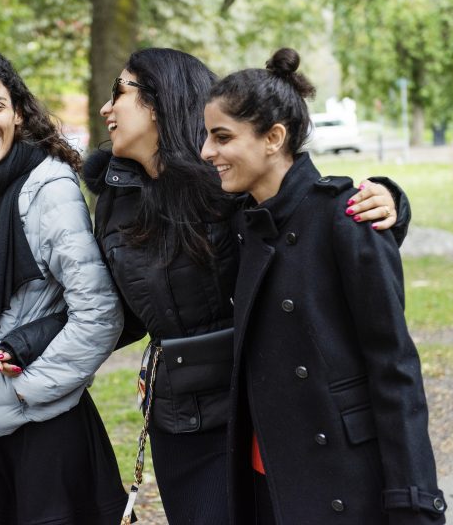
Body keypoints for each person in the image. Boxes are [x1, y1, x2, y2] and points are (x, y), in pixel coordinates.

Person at [83, 47, 409, 525]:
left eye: (120, 93)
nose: (106, 108)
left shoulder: (229, 180)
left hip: (253, 407)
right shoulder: (114, 202)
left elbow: (305, 220)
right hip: (180, 416)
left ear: (161, 100)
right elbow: (117, 310)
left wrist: (390, 199)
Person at [200, 48, 446, 524]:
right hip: (263, 472)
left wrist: (413, 500)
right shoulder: (243, 221)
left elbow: (394, 369)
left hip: (340, 477)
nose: (206, 152)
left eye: (221, 137)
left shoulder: (348, 216)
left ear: (273, 138)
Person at [0, 47, 128, 525]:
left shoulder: (48, 189)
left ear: (16, 112)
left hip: (43, 429)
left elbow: (100, 313)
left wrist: (28, 390)